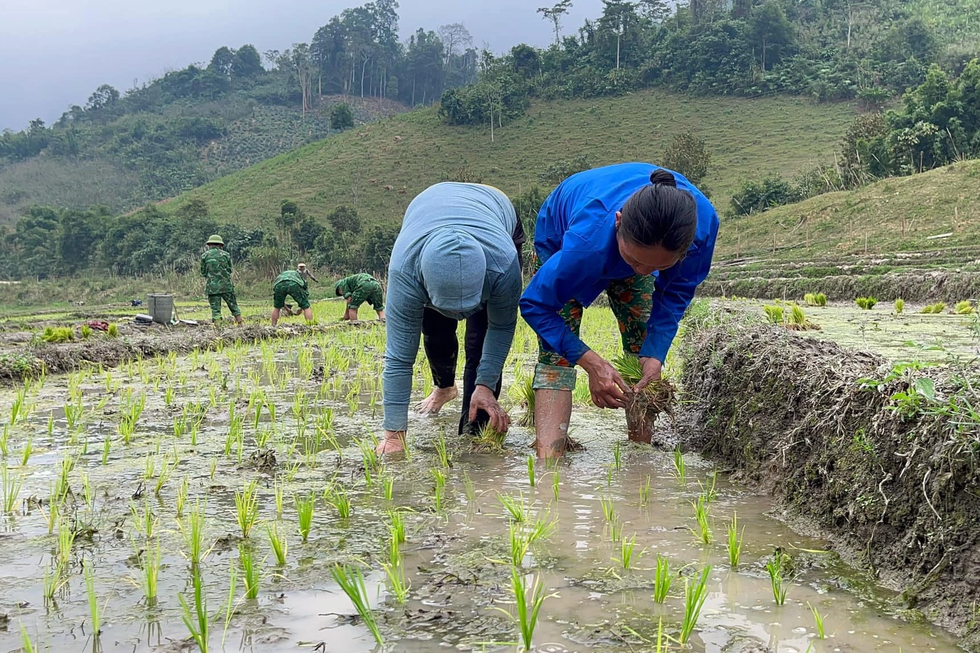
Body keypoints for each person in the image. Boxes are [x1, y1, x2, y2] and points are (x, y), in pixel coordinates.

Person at [519, 163, 719, 458]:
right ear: (618, 221)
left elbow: (676, 293)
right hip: (565, 232)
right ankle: (549, 462)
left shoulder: (700, 230)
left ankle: (640, 455)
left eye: (658, 267)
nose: (642, 271)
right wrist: (591, 363)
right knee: (557, 355)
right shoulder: (583, 244)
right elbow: (536, 305)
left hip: (635, 240)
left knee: (642, 346)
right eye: (634, 261)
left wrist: (654, 355)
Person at [379, 182, 525, 455]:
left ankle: (476, 434)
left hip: (496, 208)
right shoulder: (405, 273)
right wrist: (394, 435)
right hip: (426, 208)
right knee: (435, 329)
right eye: (451, 308)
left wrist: (484, 385)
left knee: (478, 341)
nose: (461, 316)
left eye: (468, 306)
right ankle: (445, 388)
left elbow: (501, 326)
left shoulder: (503, 267)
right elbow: (399, 359)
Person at [201, 234, 243, 326]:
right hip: (226, 285)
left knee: (215, 309)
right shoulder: (226, 255)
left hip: (212, 287)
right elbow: (229, 270)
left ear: (209, 245)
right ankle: (240, 325)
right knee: (233, 305)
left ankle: (218, 329)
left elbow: (203, 272)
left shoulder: (204, 256)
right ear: (220, 245)